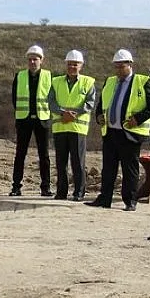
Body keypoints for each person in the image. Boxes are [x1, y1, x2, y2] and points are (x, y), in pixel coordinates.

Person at [85, 49, 150, 211]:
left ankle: (130, 200)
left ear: (130, 64)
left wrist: (138, 119)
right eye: (116, 67)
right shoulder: (110, 81)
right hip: (111, 132)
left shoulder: (142, 81)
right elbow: (102, 103)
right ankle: (105, 198)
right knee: (108, 168)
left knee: (129, 169)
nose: (118, 70)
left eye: (122, 66)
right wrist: (98, 116)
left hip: (130, 133)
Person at [48, 50, 96, 201]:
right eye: (69, 64)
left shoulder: (88, 82)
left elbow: (90, 103)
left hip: (77, 128)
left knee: (78, 162)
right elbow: (51, 102)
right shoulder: (56, 82)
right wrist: (63, 114)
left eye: (75, 64)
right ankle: (61, 192)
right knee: (61, 163)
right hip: (60, 127)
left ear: (81, 65)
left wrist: (74, 114)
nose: (72, 67)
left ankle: (79, 192)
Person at [9, 45, 52, 196]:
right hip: (24, 120)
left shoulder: (49, 76)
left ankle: (45, 187)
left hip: (42, 119)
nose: (33, 62)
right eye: (30, 60)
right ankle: (16, 186)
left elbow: (52, 98)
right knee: (20, 154)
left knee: (44, 156)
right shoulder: (19, 76)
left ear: (41, 60)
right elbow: (14, 98)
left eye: (36, 59)